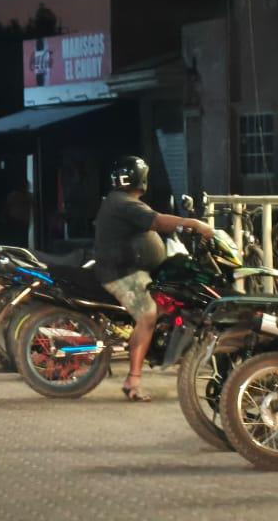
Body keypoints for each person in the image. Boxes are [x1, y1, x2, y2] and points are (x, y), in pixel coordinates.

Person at [93, 156, 213, 402]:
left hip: (131, 269)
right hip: (122, 274)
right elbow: (157, 221)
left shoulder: (120, 200)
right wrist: (193, 224)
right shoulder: (124, 203)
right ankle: (133, 380)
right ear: (142, 177)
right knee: (147, 315)